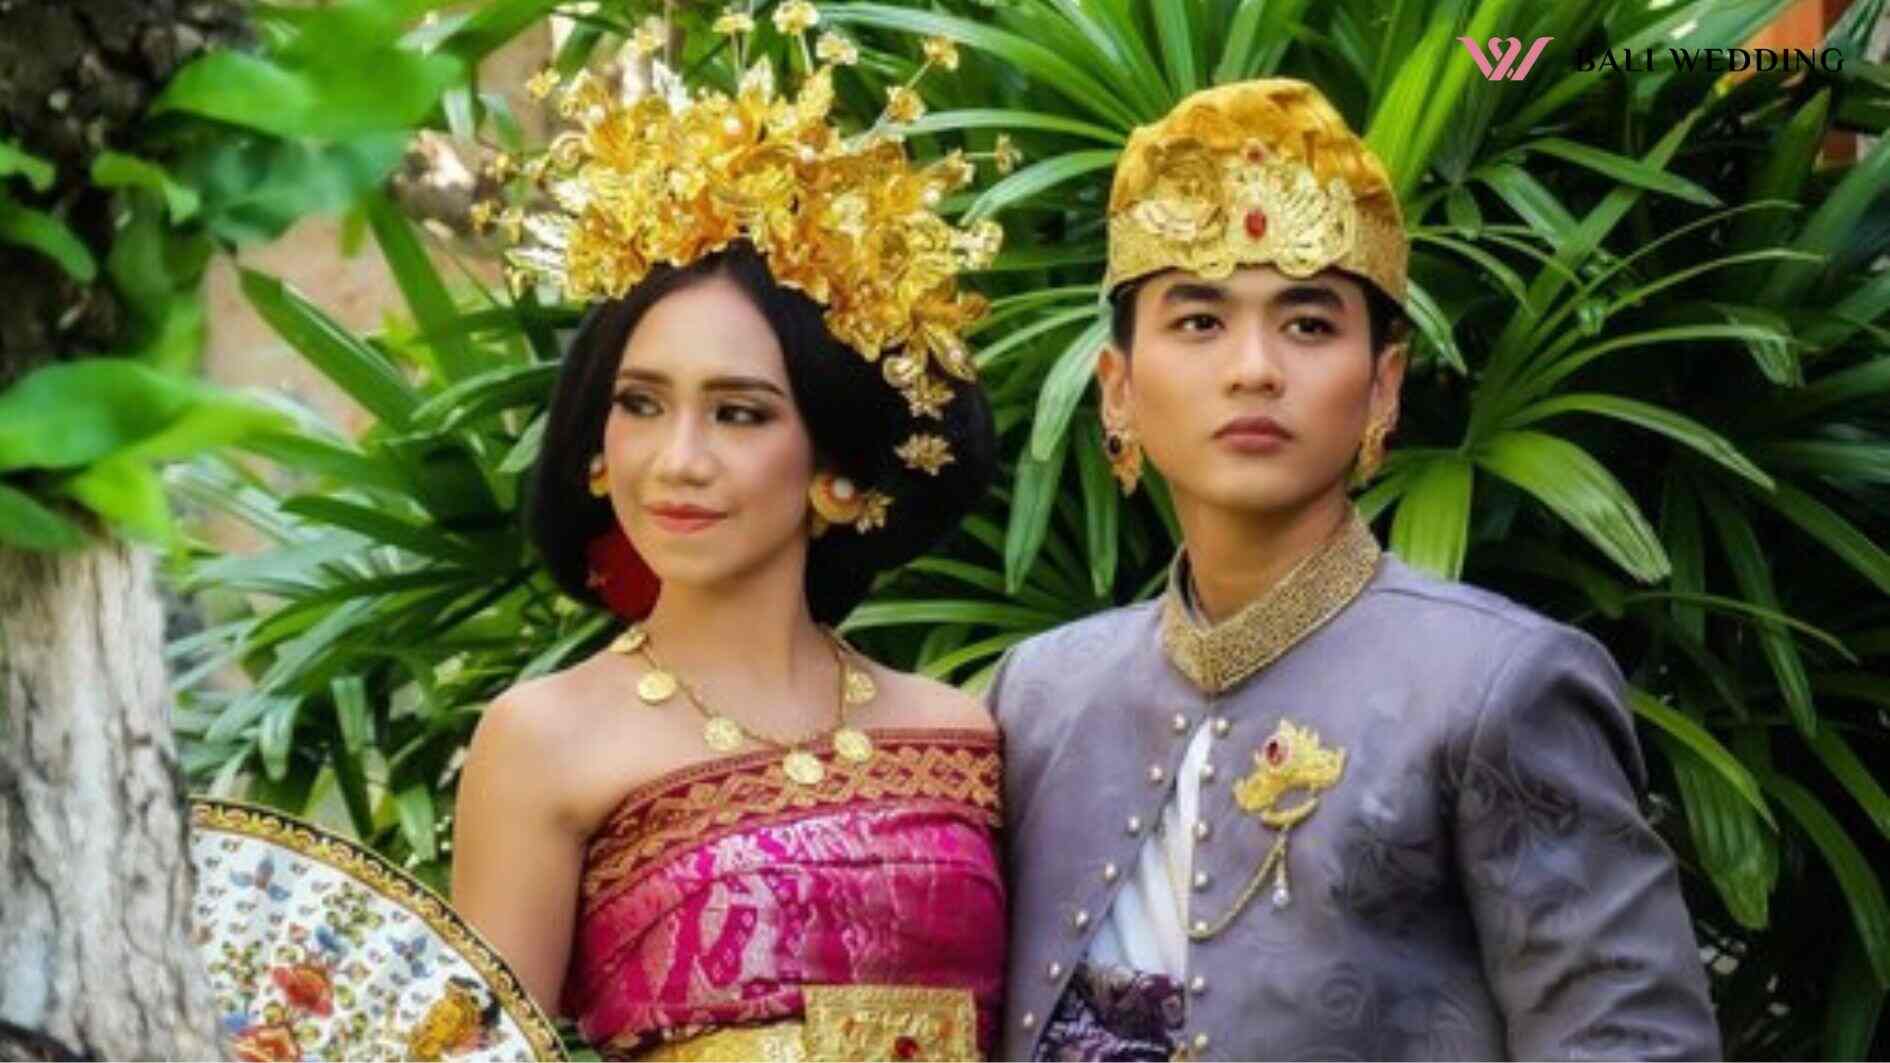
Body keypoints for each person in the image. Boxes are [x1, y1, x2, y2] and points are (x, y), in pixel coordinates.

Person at [989, 79, 1721, 1061]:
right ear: (1118, 390)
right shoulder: (1039, 695)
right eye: (1199, 322)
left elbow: (1633, 1045)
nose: (1253, 368)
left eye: (1308, 324)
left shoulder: (1497, 684)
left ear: (1382, 387)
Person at [451, 24, 1011, 1060]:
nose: (678, 460)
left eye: (740, 414)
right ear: (596, 448)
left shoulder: (963, 736)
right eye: (642, 405)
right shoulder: (542, 741)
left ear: (840, 471)